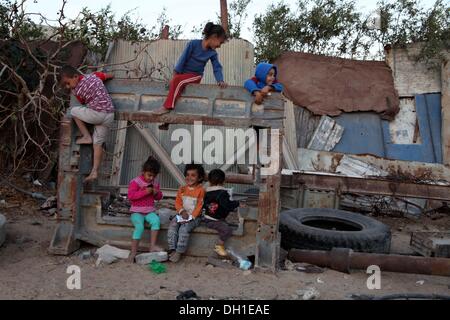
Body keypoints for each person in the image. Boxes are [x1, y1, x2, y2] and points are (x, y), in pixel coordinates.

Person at [151, 22, 228, 115]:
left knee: (178, 81)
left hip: (195, 76)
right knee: (175, 85)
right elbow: (183, 58)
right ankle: (167, 120)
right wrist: (176, 72)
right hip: (183, 75)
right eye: (220, 42)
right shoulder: (193, 44)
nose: (219, 46)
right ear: (214, 37)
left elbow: (217, 67)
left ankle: (166, 107)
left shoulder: (212, 53)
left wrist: (220, 80)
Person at [60, 65, 115, 182]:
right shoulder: (94, 76)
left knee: (74, 111)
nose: (68, 87)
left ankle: (86, 136)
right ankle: (94, 171)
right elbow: (106, 76)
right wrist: (110, 75)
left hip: (97, 115)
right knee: (98, 143)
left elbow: (83, 102)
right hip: (110, 114)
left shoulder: (77, 91)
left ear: (75, 76)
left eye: (68, 83)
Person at [127, 156, 164, 263]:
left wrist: (157, 193)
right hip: (137, 211)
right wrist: (145, 192)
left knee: (156, 221)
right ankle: (133, 252)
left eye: (154, 176)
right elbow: (131, 196)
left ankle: (152, 246)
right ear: (143, 172)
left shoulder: (155, 183)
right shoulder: (136, 181)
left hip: (149, 211)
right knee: (139, 227)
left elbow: (159, 197)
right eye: (149, 175)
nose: (151, 178)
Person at [167, 164, 206, 263]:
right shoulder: (182, 189)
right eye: (187, 175)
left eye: (193, 175)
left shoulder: (201, 190)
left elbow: (199, 206)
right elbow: (178, 202)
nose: (189, 177)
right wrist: (182, 211)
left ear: (200, 177)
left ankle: (179, 251)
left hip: (194, 217)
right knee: (173, 224)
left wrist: (191, 217)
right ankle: (172, 248)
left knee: (184, 229)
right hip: (182, 214)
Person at [202, 169, 240, 257]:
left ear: (210, 181)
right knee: (227, 230)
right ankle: (219, 245)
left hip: (208, 218)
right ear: (223, 181)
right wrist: (238, 203)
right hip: (214, 221)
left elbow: (204, 205)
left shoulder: (207, 192)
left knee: (225, 224)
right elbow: (228, 206)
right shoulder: (223, 193)